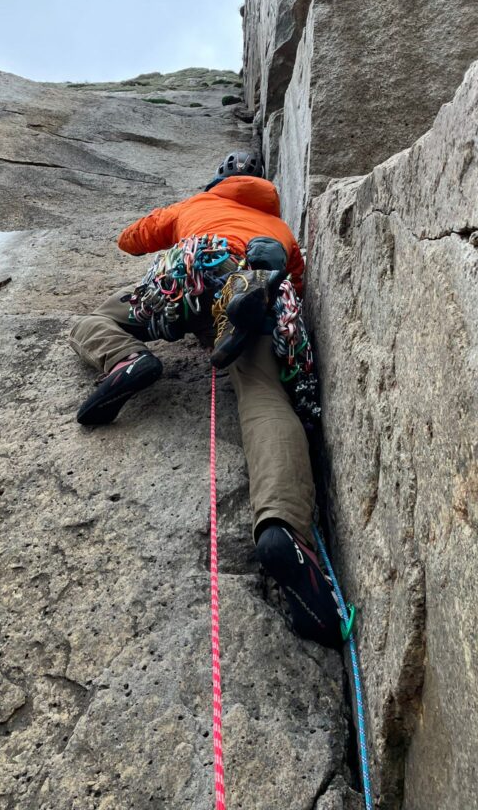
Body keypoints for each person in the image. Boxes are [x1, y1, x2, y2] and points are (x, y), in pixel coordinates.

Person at [70, 151, 341, 647]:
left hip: (194, 263)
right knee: (264, 396)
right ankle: (284, 530)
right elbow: (297, 287)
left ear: (220, 180)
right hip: (262, 272)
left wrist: (181, 214)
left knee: (95, 320)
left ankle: (127, 359)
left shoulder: (197, 202)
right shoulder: (279, 224)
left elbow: (131, 239)